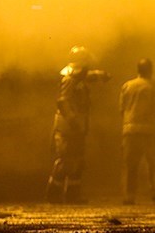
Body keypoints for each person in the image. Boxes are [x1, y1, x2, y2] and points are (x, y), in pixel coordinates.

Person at [45, 46, 111, 204]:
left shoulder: (78, 78)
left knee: (78, 160)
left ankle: (73, 195)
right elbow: (63, 101)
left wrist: (101, 75)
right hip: (67, 127)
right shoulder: (69, 80)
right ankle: (53, 194)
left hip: (76, 126)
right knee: (65, 160)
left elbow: (88, 76)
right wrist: (73, 120)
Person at [119, 58, 155, 205]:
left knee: (130, 165)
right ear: (151, 70)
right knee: (154, 164)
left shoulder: (127, 86)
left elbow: (122, 108)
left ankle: (129, 195)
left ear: (138, 70)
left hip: (130, 130)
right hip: (150, 130)